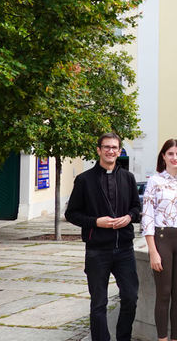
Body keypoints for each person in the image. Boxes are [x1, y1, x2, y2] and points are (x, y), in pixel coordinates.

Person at [65, 133, 141, 341]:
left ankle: (123, 337)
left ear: (119, 151)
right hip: (97, 250)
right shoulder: (84, 180)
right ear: (98, 150)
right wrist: (96, 222)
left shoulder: (128, 178)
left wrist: (128, 217)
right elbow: (71, 213)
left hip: (124, 249)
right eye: (106, 147)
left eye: (114, 147)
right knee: (99, 303)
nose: (110, 151)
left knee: (130, 297)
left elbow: (137, 208)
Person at [141, 139, 177, 341]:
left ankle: (176, 338)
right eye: (170, 154)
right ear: (163, 157)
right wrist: (153, 251)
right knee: (164, 293)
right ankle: (162, 338)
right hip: (162, 239)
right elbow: (147, 217)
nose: (175, 157)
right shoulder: (154, 182)